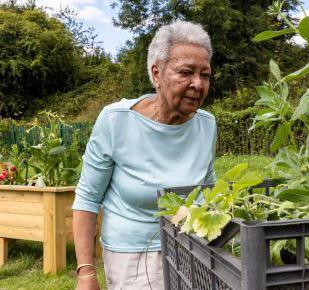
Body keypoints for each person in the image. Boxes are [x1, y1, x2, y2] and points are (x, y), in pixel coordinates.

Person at [72, 20, 216, 290]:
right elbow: (88, 198)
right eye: (186, 72)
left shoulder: (207, 124)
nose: (198, 84)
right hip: (133, 255)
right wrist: (86, 272)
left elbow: (209, 189)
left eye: (205, 75)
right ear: (157, 73)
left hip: (192, 246)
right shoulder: (116, 121)